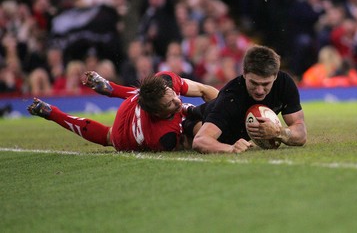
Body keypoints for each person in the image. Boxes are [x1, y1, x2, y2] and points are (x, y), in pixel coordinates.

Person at [27, 70, 218, 152]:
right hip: (124, 135)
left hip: (133, 101)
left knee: (195, 108)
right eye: (170, 104)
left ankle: (110, 88)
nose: (177, 100)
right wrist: (190, 111)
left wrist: (225, 108)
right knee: (109, 136)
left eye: (173, 95)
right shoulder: (164, 137)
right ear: (158, 114)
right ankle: (52, 113)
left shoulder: (166, 80)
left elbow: (204, 90)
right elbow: (189, 142)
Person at [191, 45, 307, 154]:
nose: (260, 90)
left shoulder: (284, 84)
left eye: (266, 84)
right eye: (254, 83)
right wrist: (231, 148)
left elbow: (301, 134)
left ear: (275, 76)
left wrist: (278, 132)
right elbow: (200, 140)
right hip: (191, 122)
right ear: (244, 73)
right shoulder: (231, 96)